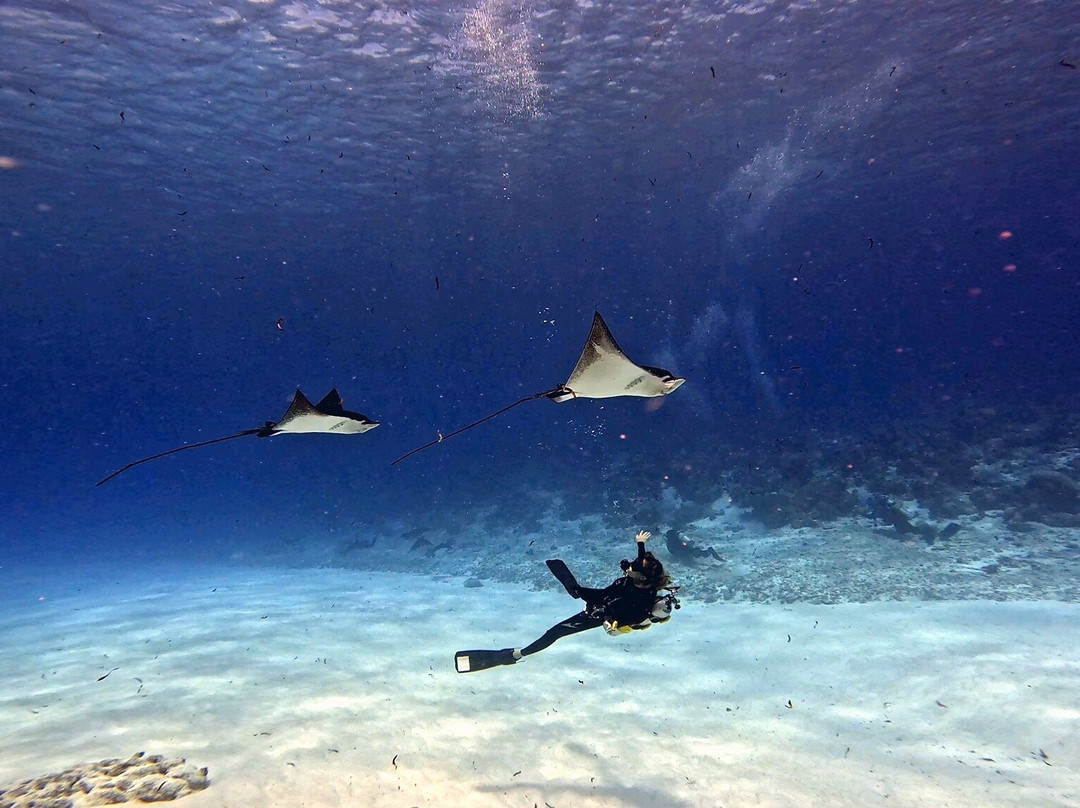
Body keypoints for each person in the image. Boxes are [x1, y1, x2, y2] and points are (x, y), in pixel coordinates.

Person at [455, 530, 680, 673]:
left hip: (602, 615)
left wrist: (609, 619)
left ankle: (514, 655)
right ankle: (575, 592)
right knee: (576, 594)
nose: (628, 567)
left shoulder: (641, 596)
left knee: (555, 633)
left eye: (632, 568)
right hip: (603, 605)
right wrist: (639, 544)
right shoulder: (633, 583)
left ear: (640, 576)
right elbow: (620, 580)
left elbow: (628, 613)